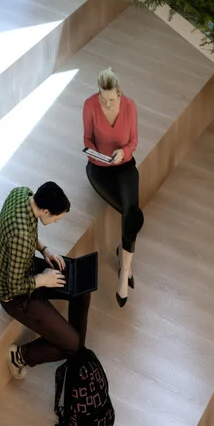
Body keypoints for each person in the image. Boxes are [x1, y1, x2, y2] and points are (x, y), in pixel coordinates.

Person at [0, 179, 91, 372]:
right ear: (45, 212)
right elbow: (14, 287)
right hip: (16, 295)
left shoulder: (22, 193)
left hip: (25, 266)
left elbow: (27, 235)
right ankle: (21, 356)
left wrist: (45, 250)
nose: (56, 221)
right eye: (57, 218)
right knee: (71, 345)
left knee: (83, 288)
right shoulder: (21, 235)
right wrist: (43, 280)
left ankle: (75, 349)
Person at [83, 69, 143, 304]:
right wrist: (99, 156)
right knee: (133, 215)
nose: (106, 103)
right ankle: (125, 262)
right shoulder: (89, 105)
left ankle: (124, 271)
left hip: (124, 165)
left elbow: (134, 141)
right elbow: (87, 140)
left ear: (119, 93)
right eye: (102, 97)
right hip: (98, 167)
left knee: (132, 212)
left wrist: (123, 153)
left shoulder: (130, 106)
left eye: (111, 98)